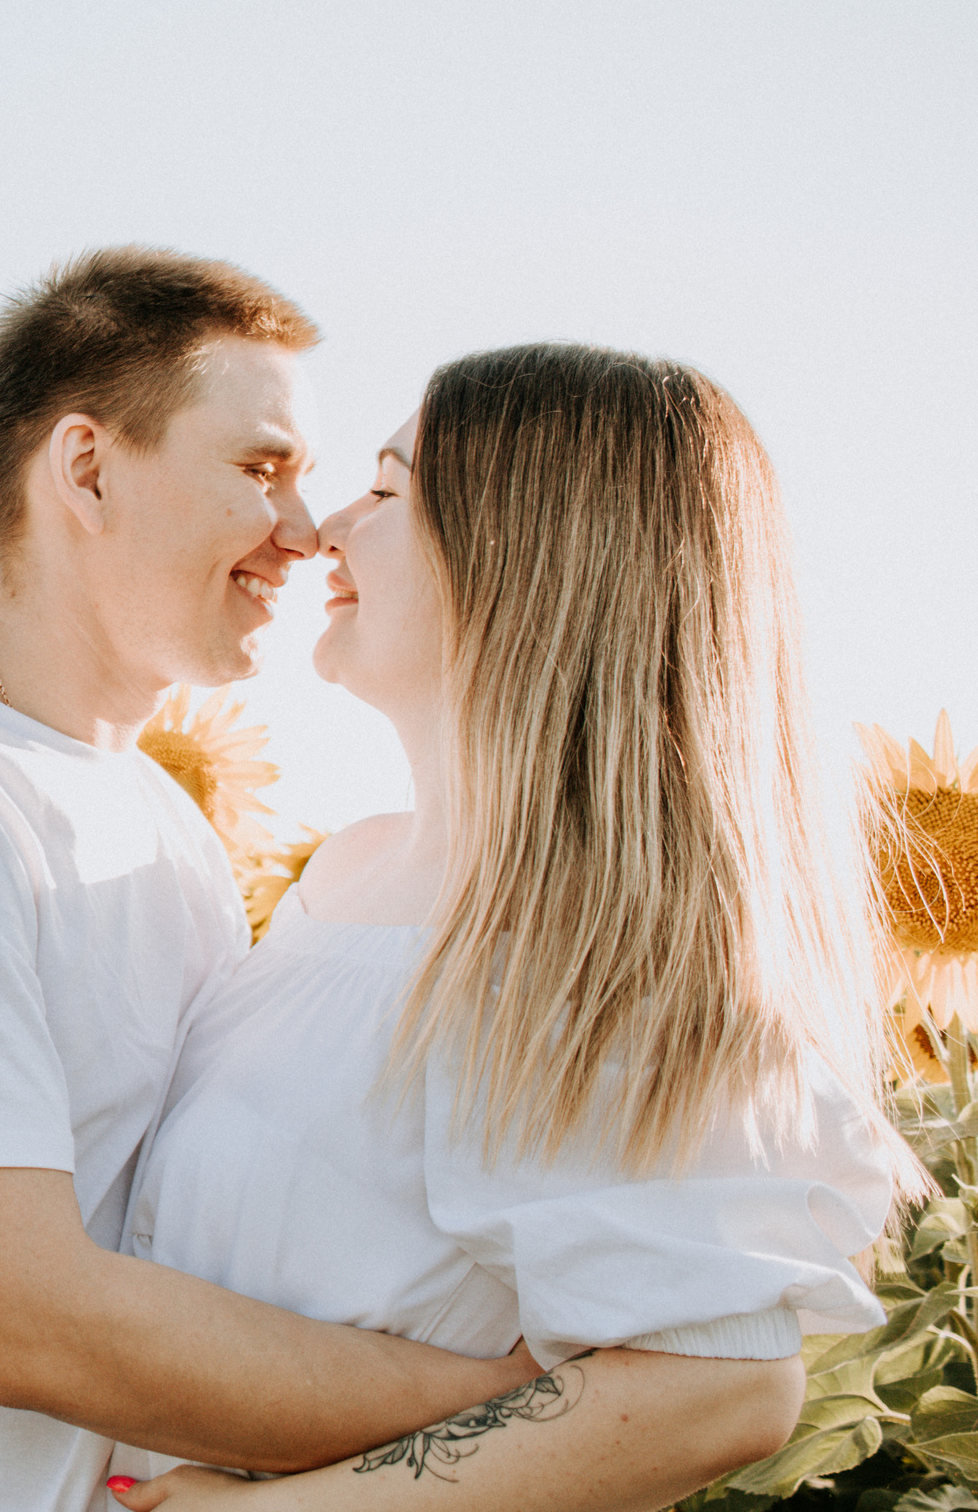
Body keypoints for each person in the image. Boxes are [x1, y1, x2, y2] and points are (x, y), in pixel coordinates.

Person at [0, 248, 545, 1512]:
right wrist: (525, 1411)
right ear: (86, 470)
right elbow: (35, 1327)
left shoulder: (164, 829)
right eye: (260, 469)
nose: (305, 535)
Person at [109, 344, 914, 1510]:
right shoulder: (350, 874)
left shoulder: (589, 949)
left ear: (524, 557)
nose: (326, 526)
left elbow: (719, 1389)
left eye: (386, 491)